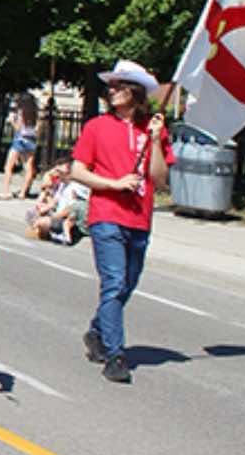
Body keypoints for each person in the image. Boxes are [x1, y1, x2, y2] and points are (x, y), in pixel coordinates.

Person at [69, 59, 174, 384]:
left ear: (135, 91)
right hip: (106, 215)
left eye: (119, 85)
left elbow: (160, 178)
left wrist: (156, 141)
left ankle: (98, 330)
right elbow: (78, 170)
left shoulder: (153, 128)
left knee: (127, 284)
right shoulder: (97, 127)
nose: (112, 91)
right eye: (111, 86)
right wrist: (113, 184)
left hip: (139, 218)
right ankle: (115, 354)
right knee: (113, 282)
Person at [0, 93, 39, 200]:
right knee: (28, 167)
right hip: (31, 141)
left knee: (8, 166)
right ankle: (23, 193)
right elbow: (38, 129)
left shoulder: (21, 112)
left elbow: (18, 128)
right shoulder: (35, 113)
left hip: (20, 139)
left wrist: (12, 122)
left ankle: (6, 191)